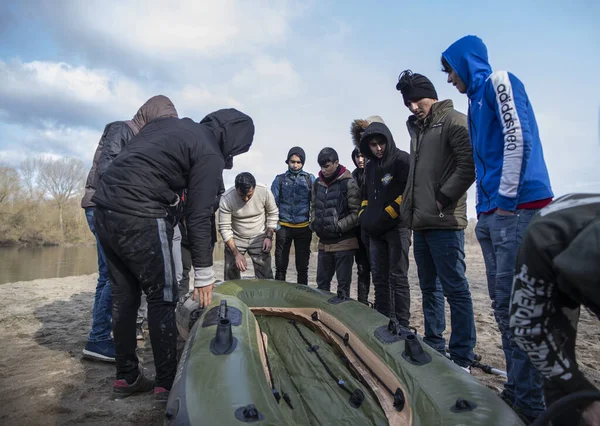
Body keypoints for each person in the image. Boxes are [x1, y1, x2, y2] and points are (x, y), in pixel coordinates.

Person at [92, 108, 254, 404]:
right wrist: (204, 275)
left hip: (103, 208)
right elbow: (200, 214)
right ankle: (165, 383)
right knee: (162, 296)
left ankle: (126, 375)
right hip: (140, 211)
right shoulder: (209, 152)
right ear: (232, 140)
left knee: (125, 296)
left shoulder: (171, 127)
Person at [442, 35, 554, 422]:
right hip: (491, 214)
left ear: (465, 63)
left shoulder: (498, 83)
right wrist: (485, 207)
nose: (450, 79)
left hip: (518, 209)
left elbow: (515, 136)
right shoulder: (474, 102)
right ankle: (520, 390)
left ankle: (533, 402)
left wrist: (505, 201)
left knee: (519, 308)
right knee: (502, 308)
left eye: (451, 70)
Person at [80, 95, 178, 361]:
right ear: (150, 116)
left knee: (110, 277)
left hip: (108, 206)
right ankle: (98, 338)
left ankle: (102, 335)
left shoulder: (134, 135)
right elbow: (108, 169)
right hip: (103, 206)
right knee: (112, 277)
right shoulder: (121, 129)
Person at [396, 70, 476, 372]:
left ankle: (462, 356)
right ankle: (434, 342)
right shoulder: (419, 129)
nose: (414, 107)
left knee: (455, 288)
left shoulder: (454, 120)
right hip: (422, 222)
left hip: (445, 221)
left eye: (417, 100)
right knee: (429, 288)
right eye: (408, 103)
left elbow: (469, 164)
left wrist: (443, 197)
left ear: (431, 94)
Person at [509, 193, 600, 426]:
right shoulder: (543, 243)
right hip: (552, 248)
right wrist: (581, 395)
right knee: (557, 358)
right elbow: (527, 329)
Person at [359, 121, 411, 327]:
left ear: (388, 140)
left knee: (398, 278)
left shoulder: (402, 160)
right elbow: (365, 194)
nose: (378, 148)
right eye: (373, 145)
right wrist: (364, 214)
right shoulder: (370, 166)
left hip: (397, 228)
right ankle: (383, 321)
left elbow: (407, 192)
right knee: (379, 279)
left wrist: (389, 213)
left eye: (381, 143)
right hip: (375, 231)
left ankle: (403, 325)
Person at [310, 147, 360, 298]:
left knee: (343, 288)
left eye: (327, 166)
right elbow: (313, 206)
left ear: (336, 163)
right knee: (321, 286)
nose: (323, 170)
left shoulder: (349, 183)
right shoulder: (317, 183)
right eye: (321, 167)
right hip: (324, 244)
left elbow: (356, 213)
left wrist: (338, 226)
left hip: (344, 243)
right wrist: (314, 222)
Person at [219, 172, 278, 280]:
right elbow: (224, 228)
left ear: (254, 188)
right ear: (236, 189)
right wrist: (236, 253)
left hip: (259, 236)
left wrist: (269, 236)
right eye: (242, 195)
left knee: (265, 274)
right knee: (230, 272)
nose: (246, 199)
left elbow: (273, 213)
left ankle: (265, 294)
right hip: (236, 238)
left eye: (249, 195)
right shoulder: (227, 198)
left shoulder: (264, 191)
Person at [271, 147, 315, 284]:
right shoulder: (279, 180)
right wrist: (275, 226)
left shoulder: (310, 179)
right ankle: (279, 296)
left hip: (304, 227)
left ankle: (303, 297)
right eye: (292, 161)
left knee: (302, 267)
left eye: (299, 162)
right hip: (284, 227)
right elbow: (272, 204)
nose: (295, 165)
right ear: (288, 161)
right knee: (280, 266)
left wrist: (312, 224)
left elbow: (315, 202)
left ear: (303, 163)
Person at [350, 117, 382, 304]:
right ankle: (362, 302)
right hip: (359, 227)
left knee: (378, 267)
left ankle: (380, 303)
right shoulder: (353, 177)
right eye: (357, 157)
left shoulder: (377, 169)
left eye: (362, 156)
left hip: (376, 223)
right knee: (362, 268)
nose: (360, 160)